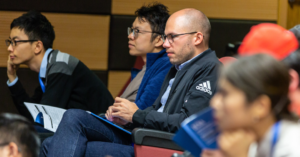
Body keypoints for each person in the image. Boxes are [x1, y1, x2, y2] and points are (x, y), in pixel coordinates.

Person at [40, 8, 221, 157]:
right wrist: (125, 118)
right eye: (165, 37)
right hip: (142, 133)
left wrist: (136, 115)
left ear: (197, 38)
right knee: (69, 121)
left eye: (172, 37)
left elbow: (188, 123)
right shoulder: (179, 66)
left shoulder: (210, 69)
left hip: (160, 144)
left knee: (64, 145)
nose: (165, 44)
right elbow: (158, 109)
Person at [6, 11, 114, 121]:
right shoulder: (50, 66)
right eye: (9, 42)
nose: (9, 48)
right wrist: (12, 77)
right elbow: (33, 115)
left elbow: (45, 120)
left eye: (15, 42)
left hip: (105, 131)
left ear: (37, 46)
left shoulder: (60, 67)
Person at [203, 54, 300, 157]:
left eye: (225, 94)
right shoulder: (251, 142)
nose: (214, 103)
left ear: (260, 107)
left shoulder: (294, 148)